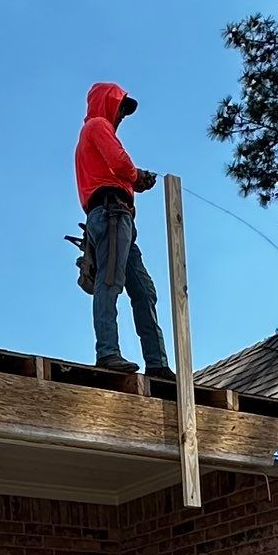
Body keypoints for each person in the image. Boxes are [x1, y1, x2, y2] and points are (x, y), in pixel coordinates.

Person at [72, 80, 172, 378]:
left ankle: (157, 364)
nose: (121, 116)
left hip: (118, 216)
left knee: (144, 290)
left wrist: (133, 182)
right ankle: (107, 354)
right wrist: (137, 176)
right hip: (111, 212)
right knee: (110, 281)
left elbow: (112, 168)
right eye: (120, 108)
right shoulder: (97, 125)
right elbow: (120, 162)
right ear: (107, 103)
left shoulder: (94, 132)